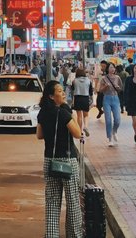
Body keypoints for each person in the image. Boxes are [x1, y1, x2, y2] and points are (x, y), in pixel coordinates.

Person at [37, 79, 84, 238]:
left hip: (49, 161)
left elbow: (39, 135)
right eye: (59, 91)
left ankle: (51, 235)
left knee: (52, 202)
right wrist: (70, 112)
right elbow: (77, 133)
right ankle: (75, 235)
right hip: (67, 161)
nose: (63, 93)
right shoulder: (64, 112)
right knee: (73, 202)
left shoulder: (42, 112)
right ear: (51, 96)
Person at [97, 60, 122, 146]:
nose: (112, 69)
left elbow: (120, 89)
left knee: (117, 119)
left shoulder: (118, 78)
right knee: (108, 120)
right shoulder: (104, 78)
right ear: (107, 69)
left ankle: (114, 131)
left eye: (113, 67)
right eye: (110, 67)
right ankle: (110, 138)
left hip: (115, 98)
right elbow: (100, 90)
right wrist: (105, 86)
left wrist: (118, 88)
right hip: (106, 98)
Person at [70, 64, 92, 137]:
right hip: (85, 98)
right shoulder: (88, 81)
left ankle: (80, 132)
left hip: (77, 98)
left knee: (79, 116)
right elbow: (91, 91)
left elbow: (72, 90)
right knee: (86, 115)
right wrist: (91, 99)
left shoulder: (74, 81)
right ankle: (86, 126)